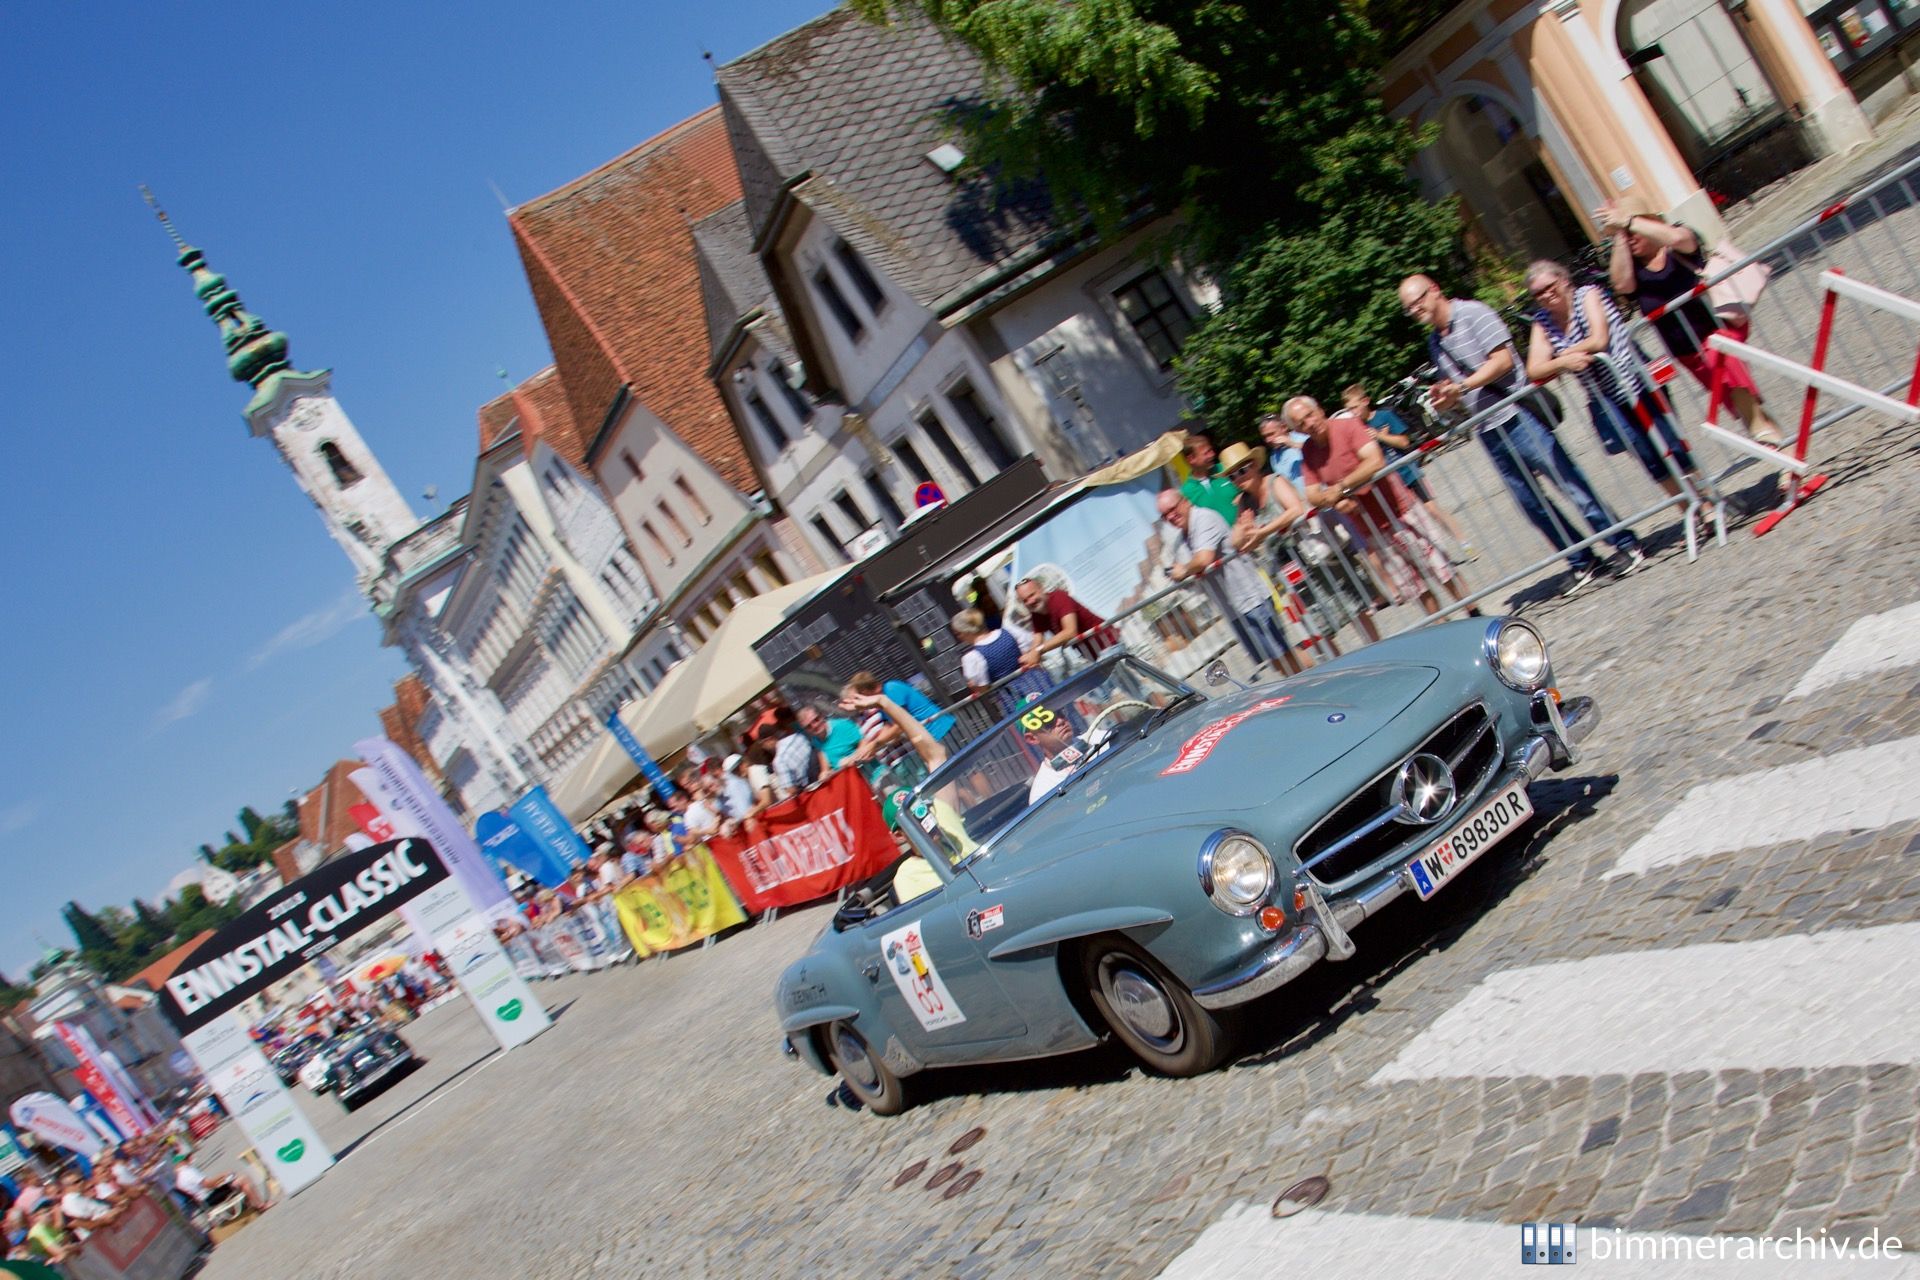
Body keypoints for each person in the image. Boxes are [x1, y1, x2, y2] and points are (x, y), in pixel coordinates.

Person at [1398, 272, 1645, 595]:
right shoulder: (1435, 341)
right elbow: (1461, 386)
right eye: (1409, 309)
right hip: (1488, 426)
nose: (1416, 310)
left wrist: (1462, 386)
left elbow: (1501, 362)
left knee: (1569, 483)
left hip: (1517, 414)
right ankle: (1581, 559)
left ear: (1435, 289)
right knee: (1530, 503)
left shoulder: (1473, 313)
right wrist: (1447, 397)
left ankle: (1624, 543)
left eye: (1418, 301)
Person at [1599, 201, 1785, 448]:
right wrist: (1621, 233)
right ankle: (1787, 453)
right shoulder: (1633, 270)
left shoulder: (1678, 239)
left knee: (1734, 383)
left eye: (1632, 232)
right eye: (1621, 235)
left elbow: (1679, 239)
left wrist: (1630, 221)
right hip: (1688, 353)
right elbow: (1622, 286)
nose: (1629, 238)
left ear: (1650, 222)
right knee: (1745, 404)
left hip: (1719, 332)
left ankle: (1781, 456)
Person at [1524, 258, 1697, 501]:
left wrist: (1563, 354)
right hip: (1604, 396)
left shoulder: (1588, 295)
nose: (1546, 295)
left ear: (1563, 280)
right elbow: (1534, 369)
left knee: (1670, 440)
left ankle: (1705, 498)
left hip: (1636, 378)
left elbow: (1599, 339)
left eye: (1549, 286)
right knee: (1645, 453)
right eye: (1538, 293)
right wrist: (1562, 363)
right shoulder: (1542, 322)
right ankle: (1686, 505)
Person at [1287, 396, 1472, 621]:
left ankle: (1474, 614)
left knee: (1441, 569)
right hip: (1371, 527)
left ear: (1320, 410)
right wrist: (1336, 500)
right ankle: (1445, 630)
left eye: (1309, 415)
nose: (1309, 423)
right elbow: (1313, 494)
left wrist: (1341, 488)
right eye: (1301, 423)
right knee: (1414, 587)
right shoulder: (1308, 451)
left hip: (1400, 509)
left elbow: (1374, 461)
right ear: (1297, 429)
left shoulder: (1347, 426)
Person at [1158, 490, 1301, 675]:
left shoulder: (1203, 518)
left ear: (1185, 502)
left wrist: (1185, 570)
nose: (1171, 516)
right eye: (1165, 515)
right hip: (1232, 609)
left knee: (1285, 654)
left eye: (1173, 508)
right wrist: (1183, 574)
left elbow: (1203, 560)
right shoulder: (1180, 540)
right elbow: (1194, 579)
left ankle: (1318, 685)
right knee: (1276, 661)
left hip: (1251, 599)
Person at [1223, 441, 1343, 655]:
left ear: (1254, 465)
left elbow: (1295, 509)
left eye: (1242, 470)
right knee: (1318, 625)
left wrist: (1263, 531)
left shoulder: (1274, 482)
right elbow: (1236, 541)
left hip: (1314, 555)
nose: (1238, 478)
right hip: (1288, 571)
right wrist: (1246, 528)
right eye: (1232, 476)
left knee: (1349, 605)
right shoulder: (1243, 503)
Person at [1341, 382, 1471, 552]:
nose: (1353, 413)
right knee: (1413, 519)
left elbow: (1404, 442)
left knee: (1431, 508)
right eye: (1349, 410)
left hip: (1407, 473)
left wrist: (1379, 436)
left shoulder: (1384, 416)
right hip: (1389, 484)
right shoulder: (1357, 429)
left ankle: (1463, 541)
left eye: (1355, 407)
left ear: (1365, 401)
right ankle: (1437, 552)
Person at [950, 609, 1052, 708]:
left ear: (966, 631)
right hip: (1035, 680)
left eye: (958, 633)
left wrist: (973, 685)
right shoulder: (1008, 631)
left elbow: (983, 687)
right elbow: (1029, 648)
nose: (959, 637)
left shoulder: (972, 657)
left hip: (1012, 696)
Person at [1013, 578, 1117, 671]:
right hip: (1093, 655)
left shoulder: (1059, 597)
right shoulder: (1036, 614)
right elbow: (1037, 640)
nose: (1030, 601)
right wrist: (1029, 656)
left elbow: (1070, 632)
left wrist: (1037, 651)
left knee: (1130, 682)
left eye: (1032, 595)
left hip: (1110, 643)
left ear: (1041, 589)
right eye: (1025, 600)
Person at [1179, 428, 1242, 524]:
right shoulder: (1186, 493)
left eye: (1211, 450)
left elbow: (1250, 488)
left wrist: (1242, 496)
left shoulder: (1227, 469)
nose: (1212, 454)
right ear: (1191, 459)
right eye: (1206, 453)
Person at [769, 706, 827, 798]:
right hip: (820, 759)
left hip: (814, 776)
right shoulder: (799, 729)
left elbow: (791, 790)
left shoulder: (794, 729)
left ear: (781, 721)